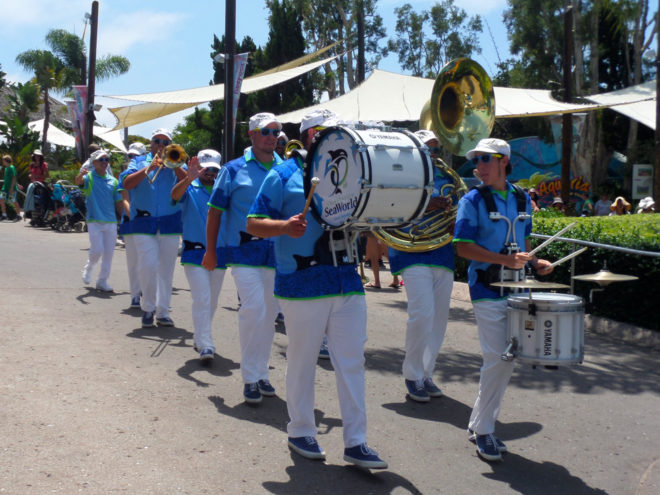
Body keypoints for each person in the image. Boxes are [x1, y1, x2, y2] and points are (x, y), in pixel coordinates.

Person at [246, 108, 388, 469]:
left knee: (352, 362)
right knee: (303, 360)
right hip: (301, 281)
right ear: (311, 136)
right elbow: (253, 223)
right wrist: (284, 227)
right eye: (325, 132)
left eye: (336, 131)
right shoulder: (284, 174)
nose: (332, 138)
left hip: (346, 279)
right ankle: (300, 430)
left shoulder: (355, 173)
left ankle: (356, 441)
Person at [453, 138, 553, 462]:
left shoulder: (523, 198)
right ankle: (484, 432)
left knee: (504, 361)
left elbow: (522, 243)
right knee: (497, 357)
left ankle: (478, 423)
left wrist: (536, 262)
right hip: (485, 289)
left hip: (517, 289)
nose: (477, 165)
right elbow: (462, 247)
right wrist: (502, 260)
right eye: (476, 160)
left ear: (503, 161)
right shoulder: (472, 200)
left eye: (484, 159)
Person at [202, 113, 283, 404]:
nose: (272, 136)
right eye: (266, 131)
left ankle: (262, 373)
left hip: (276, 253)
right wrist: (211, 251)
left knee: (270, 316)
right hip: (242, 252)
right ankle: (250, 377)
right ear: (251, 135)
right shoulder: (233, 169)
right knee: (254, 308)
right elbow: (215, 211)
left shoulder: (284, 169)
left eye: (276, 131)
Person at [388, 129, 453, 402]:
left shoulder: (448, 177)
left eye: (436, 149)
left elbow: (458, 207)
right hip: (410, 250)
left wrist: (454, 219)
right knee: (422, 314)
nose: (433, 155)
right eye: (427, 149)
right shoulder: (399, 174)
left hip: (442, 251)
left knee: (439, 319)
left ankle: (427, 373)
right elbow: (390, 207)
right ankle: (413, 375)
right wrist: (427, 205)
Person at [122, 129, 187, 328]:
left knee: (166, 270)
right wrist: (148, 169)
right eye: (157, 140)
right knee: (148, 265)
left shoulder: (176, 160)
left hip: (169, 222)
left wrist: (174, 166)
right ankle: (148, 307)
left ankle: (163, 311)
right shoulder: (138, 161)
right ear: (151, 142)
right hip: (143, 221)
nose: (160, 144)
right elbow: (126, 183)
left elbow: (188, 183)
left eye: (165, 142)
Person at [172, 149, 226, 363]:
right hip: (194, 252)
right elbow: (174, 196)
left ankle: (200, 336)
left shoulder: (222, 190)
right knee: (202, 298)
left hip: (219, 252)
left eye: (214, 170)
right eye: (206, 169)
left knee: (211, 302)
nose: (210, 174)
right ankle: (206, 344)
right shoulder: (190, 187)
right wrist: (188, 178)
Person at [75, 149, 123, 292]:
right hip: (94, 220)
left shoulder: (113, 181)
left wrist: (125, 217)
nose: (104, 162)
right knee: (97, 250)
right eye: (101, 160)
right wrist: (80, 176)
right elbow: (78, 182)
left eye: (106, 159)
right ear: (94, 163)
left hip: (111, 222)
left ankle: (102, 281)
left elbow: (118, 202)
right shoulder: (89, 178)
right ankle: (89, 267)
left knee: (108, 253)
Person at [117, 142, 147, 309]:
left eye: (136, 156)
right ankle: (135, 295)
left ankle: (148, 292)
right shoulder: (124, 175)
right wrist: (133, 216)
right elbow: (125, 198)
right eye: (130, 156)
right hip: (131, 222)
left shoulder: (152, 171)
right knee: (134, 261)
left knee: (151, 261)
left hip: (149, 222)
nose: (132, 159)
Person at [23, 149, 50, 217]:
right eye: (35, 156)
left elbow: (47, 175)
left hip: (41, 184)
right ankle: (29, 213)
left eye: (38, 156)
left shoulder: (44, 165)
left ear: (40, 157)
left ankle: (42, 214)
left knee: (42, 199)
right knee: (30, 198)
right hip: (33, 184)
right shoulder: (32, 165)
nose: (37, 157)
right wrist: (31, 176)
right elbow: (29, 174)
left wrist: (38, 176)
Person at [1, 155, 22, 221]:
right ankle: (4, 215)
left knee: (14, 202)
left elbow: (14, 177)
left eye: (3, 160)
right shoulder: (6, 168)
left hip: (11, 189)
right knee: (1, 200)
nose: (2, 161)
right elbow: (8, 179)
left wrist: (12, 187)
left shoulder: (11, 167)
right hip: (5, 188)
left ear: (6, 160)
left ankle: (19, 215)